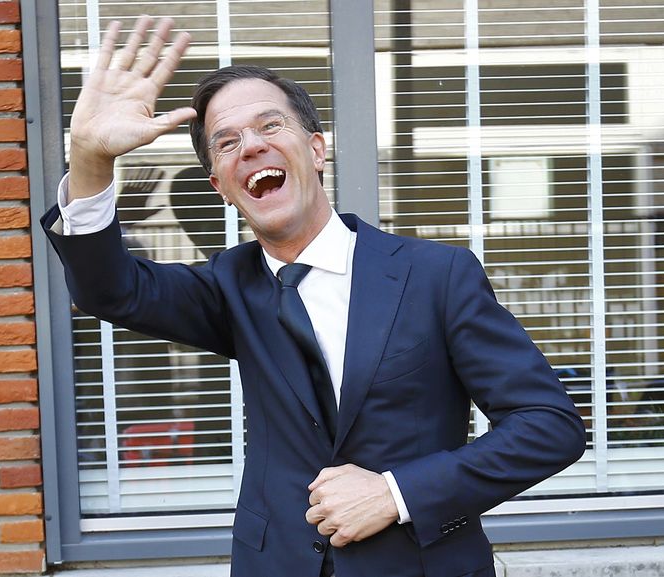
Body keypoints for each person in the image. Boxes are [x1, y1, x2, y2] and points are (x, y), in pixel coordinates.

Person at [41, 17, 586, 577]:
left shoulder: (435, 276)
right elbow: (110, 290)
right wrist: (89, 158)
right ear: (221, 187)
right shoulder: (228, 288)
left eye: (270, 125)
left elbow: (548, 426)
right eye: (226, 143)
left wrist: (396, 494)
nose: (250, 146)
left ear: (317, 149)